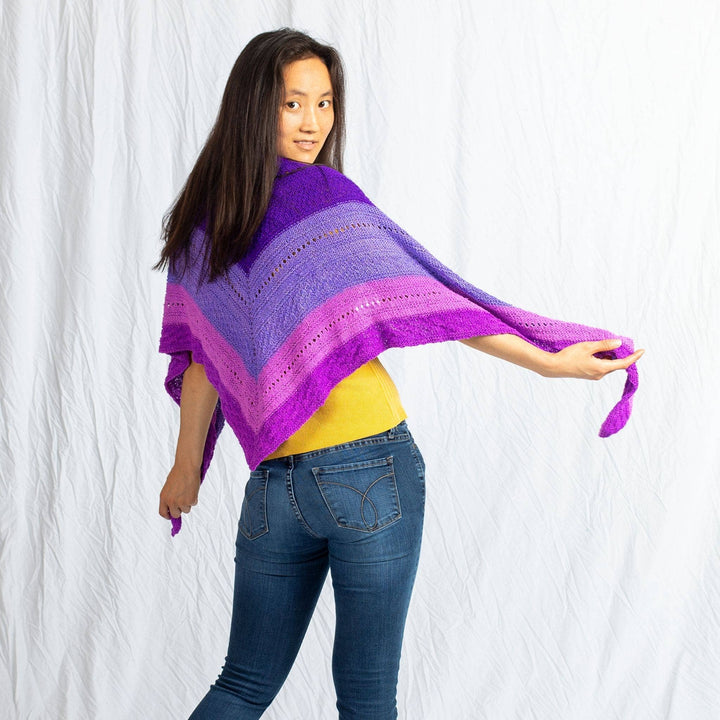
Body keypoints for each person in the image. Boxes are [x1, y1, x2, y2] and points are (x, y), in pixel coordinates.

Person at [155, 28, 644, 720]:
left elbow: (207, 359)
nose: (313, 123)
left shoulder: (204, 224)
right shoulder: (320, 197)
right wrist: (546, 360)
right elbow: (430, 299)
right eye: (293, 104)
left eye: (324, 104)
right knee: (365, 696)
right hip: (372, 469)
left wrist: (185, 468)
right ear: (253, 106)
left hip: (275, 486)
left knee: (241, 684)